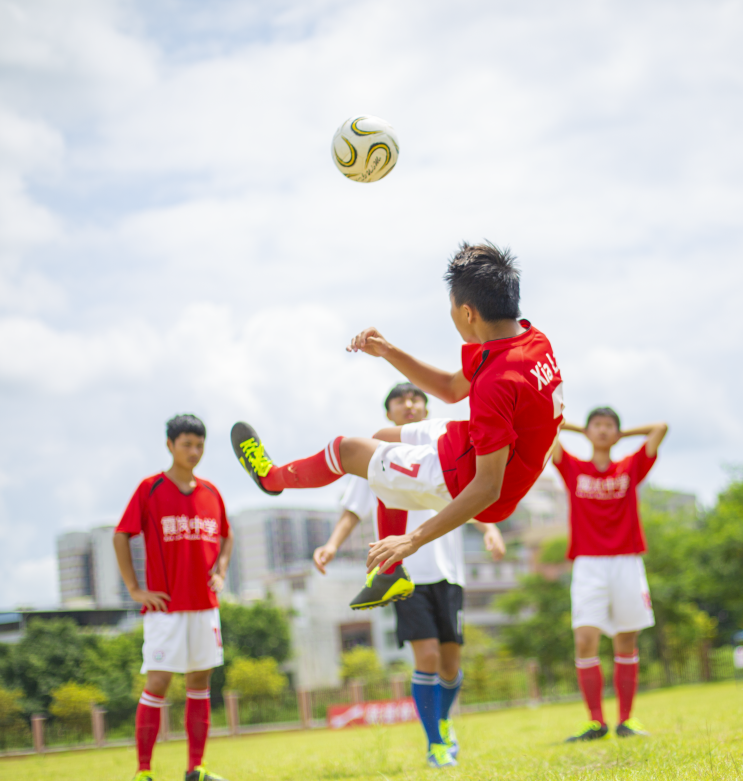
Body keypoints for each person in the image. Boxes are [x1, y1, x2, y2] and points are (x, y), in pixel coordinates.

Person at [229, 244, 563, 646]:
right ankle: (388, 576)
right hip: (478, 450)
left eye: (452, 308)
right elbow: (451, 389)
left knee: (349, 450)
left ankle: (271, 478)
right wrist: (388, 351)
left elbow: (487, 488)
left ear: (468, 313)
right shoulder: (530, 339)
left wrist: (412, 539)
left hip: (469, 478)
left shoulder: (497, 381)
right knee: (384, 440)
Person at [313, 382, 507, 768]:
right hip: (405, 574)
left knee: (451, 663)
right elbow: (353, 509)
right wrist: (333, 544)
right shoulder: (376, 457)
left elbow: (474, 494)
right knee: (429, 656)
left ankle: (443, 720)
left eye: (417, 398)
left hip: (449, 573)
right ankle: (435, 743)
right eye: (401, 400)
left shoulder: (445, 448)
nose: (410, 404)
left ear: (426, 409)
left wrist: (489, 529)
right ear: (389, 414)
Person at [115, 414, 233, 781]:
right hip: (166, 609)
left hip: (205, 606)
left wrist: (221, 571)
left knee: (200, 681)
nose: (194, 452)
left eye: (199, 445)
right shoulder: (150, 489)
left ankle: (195, 768)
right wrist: (135, 589)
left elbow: (227, 537)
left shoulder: (212, 492)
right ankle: (143, 772)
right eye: (186, 445)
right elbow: (121, 536)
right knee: (159, 682)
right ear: (170, 445)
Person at [552, 408, 666, 741]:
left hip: (627, 561)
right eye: (597, 426)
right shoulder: (574, 467)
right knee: (584, 639)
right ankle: (595, 721)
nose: (603, 432)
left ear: (617, 432)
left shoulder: (629, 467)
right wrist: (580, 428)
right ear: (587, 432)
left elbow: (660, 426)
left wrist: (621, 433)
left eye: (609, 427)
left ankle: (626, 720)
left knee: (626, 640)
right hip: (588, 564)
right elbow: (549, 430)